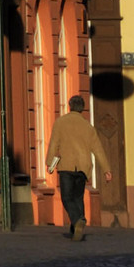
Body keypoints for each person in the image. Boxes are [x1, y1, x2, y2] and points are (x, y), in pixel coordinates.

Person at [43, 93, 111, 239]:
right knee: (78, 197)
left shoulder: (60, 123)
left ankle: (78, 220)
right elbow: (98, 149)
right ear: (83, 108)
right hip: (83, 167)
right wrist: (106, 170)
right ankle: (76, 230)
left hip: (66, 166)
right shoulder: (88, 127)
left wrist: (49, 163)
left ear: (70, 106)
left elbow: (54, 144)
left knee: (67, 198)